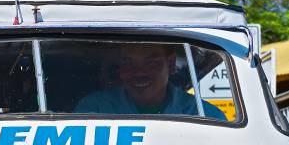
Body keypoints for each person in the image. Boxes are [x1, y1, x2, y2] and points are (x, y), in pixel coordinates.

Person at [75, 43, 226, 120]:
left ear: (171, 64)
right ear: (120, 68)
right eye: (128, 62)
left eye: (151, 62)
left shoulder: (205, 114)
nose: (139, 72)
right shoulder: (94, 108)